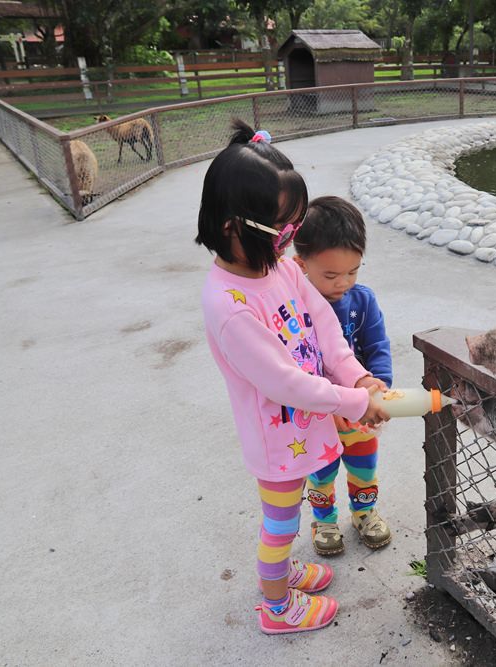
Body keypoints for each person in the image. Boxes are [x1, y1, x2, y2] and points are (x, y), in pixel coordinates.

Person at [196, 121, 389, 635]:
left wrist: (358, 374)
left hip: (303, 425)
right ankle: (277, 607)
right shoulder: (231, 307)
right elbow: (283, 383)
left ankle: (281, 575)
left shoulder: (276, 267)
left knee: (294, 511)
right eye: (283, 230)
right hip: (276, 437)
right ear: (236, 228)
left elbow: (323, 323)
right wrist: (351, 402)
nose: (290, 242)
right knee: (279, 525)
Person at [291, 196, 394, 556]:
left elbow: (378, 346)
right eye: (331, 275)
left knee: (363, 464)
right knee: (320, 470)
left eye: (353, 271)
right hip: (317, 413)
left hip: (359, 410)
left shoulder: (362, 301)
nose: (343, 283)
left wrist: (381, 389)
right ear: (300, 264)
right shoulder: (293, 307)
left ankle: (364, 512)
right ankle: (324, 518)